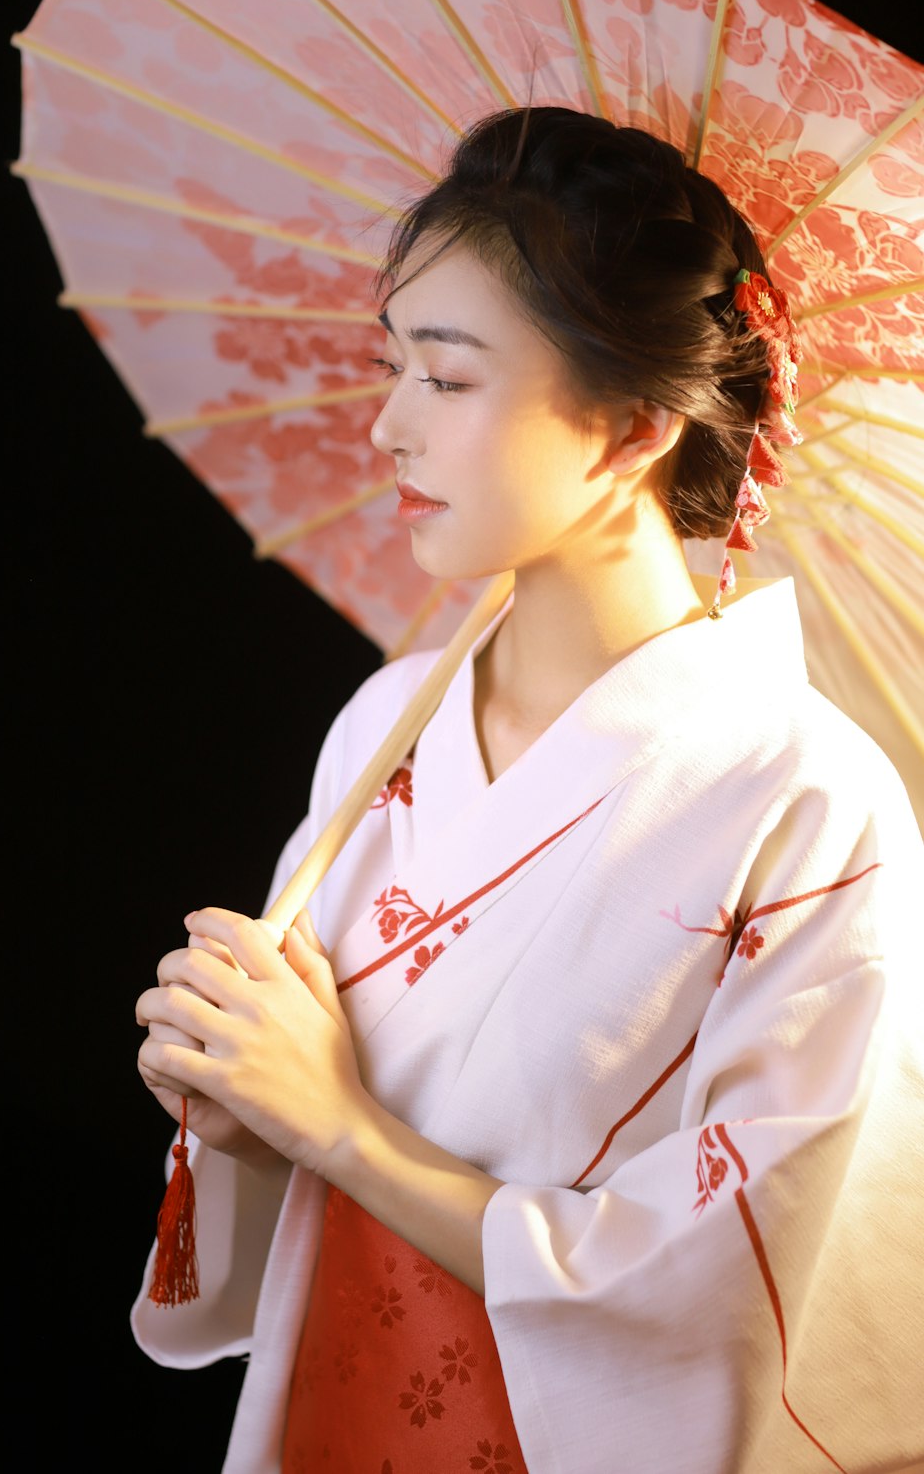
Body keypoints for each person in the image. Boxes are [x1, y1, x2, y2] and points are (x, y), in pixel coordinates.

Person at [132, 109, 924, 1474]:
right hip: (335, 1400)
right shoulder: (388, 723)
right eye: (392, 368)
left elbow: (730, 1294)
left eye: (444, 380)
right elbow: (288, 1136)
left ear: (625, 428)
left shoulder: (810, 804)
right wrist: (243, 1114)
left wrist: (343, 1128)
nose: (383, 427)